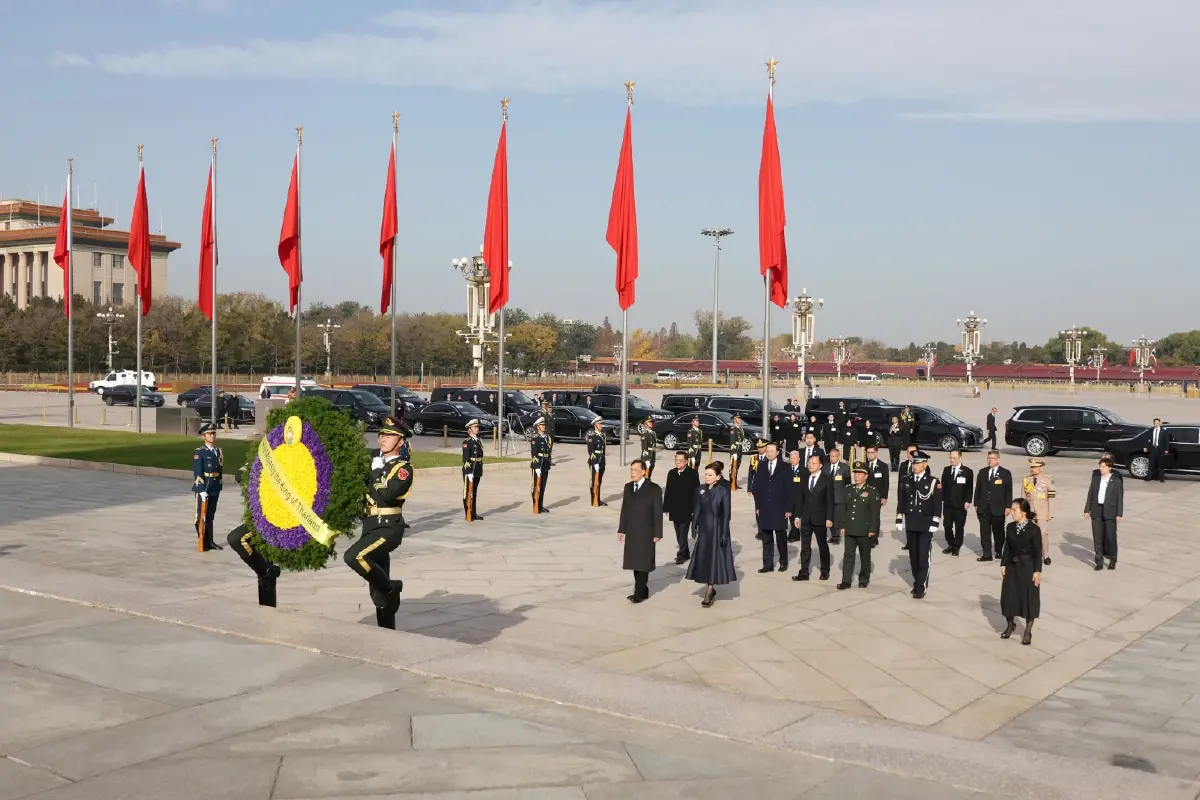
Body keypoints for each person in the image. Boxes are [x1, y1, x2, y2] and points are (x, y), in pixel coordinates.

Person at [344, 418, 412, 628]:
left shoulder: (403, 469)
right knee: (377, 590)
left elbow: (389, 493)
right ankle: (386, 631)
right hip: (370, 527)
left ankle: (392, 587)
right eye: (382, 434)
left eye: (389, 435)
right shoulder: (373, 459)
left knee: (354, 556)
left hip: (388, 527)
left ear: (400, 441)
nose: (383, 438)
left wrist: (375, 472)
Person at [687, 461, 736, 606]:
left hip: (717, 529)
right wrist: (694, 525)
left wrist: (724, 533)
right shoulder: (700, 490)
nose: (707, 477)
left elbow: (727, 514)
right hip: (704, 529)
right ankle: (708, 584)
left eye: (710, 475)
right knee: (704, 558)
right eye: (706, 474)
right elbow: (696, 509)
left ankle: (710, 589)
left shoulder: (723, 491)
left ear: (718, 477)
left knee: (715, 560)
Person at [895, 451, 942, 599]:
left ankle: (921, 586)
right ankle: (917, 580)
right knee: (913, 556)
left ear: (925, 464)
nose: (914, 465)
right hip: (911, 522)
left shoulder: (933, 481)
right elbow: (901, 500)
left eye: (917, 463)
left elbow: (936, 503)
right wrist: (899, 518)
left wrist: (935, 521)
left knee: (923, 556)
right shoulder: (906, 479)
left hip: (926, 524)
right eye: (913, 463)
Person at [617, 460, 663, 604]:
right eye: (631, 469)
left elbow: (657, 512)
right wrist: (622, 529)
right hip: (632, 530)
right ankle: (642, 589)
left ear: (644, 471)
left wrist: (657, 533)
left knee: (643, 563)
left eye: (635, 470)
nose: (632, 472)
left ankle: (638, 592)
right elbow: (625, 509)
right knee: (634, 562)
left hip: (646, 531)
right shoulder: (628, 487)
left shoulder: (654, 488)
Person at [1000, 498, 1042, 646]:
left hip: (1028, 566)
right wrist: (1003, 564)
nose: (1012, 513)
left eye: (1015, 510)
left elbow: (1037, 552)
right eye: (1012, 510)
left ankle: (1028, 631)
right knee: (1009, 597)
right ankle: (1010, 624)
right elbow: (1007, 546)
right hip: (1012, 566)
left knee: (1029, 599)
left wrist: (1037, 571)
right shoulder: (1010, 527)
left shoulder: (1034, 529)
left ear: (1023, 512)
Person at [838, 462, 881, 589]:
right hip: (850, 528)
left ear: (866, 476)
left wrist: (873, 530)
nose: (856, 476)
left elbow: (875, 513)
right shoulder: (849, 489)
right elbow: (844, 510)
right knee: (848, 556)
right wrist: (843, 526)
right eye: (855, 474)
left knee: (864, 556)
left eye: (859, 474)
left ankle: (863, 579)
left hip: (864, 530)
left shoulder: (872, 491)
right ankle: (846, 581)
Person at [792, 452, 834, 581]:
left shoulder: (827, 479)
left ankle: (825, 571)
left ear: (820, 465)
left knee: (822, 545)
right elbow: (800, 499)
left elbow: (829, 501)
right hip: (806, 518)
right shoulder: (805, 478)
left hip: (820, 519)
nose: (810, 465)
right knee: (805, 546)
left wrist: (829, 518)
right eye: (809, 463)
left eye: (813, 463)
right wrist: (797, 516)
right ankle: (804, 572)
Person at [752, 441, 792, 573]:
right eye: (767, 451)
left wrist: (788, 509)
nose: (769, 453)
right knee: (766, 538)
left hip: (780, 507)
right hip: (765, 507)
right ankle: (767, 564)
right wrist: (758, 506)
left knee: (780, 537)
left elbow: (789, 489)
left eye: (772, 451)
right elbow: (758, 487)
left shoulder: (785, 467)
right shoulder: (762, 466)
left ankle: (783, 562)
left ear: (778, 452)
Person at [1084, 456, 1123, 570]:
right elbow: (1090, 494)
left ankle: (1112, 559)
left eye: (1103, 467)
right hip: (1097, 510)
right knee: (1097, 537)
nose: (1101, 469)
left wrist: (1119, 514)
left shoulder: (1116, 481)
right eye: (1100, 466)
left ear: (1109, 468)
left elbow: (1119, 498)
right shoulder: (1096, 478)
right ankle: (1099, 562)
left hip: (1110, 512)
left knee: (1111, 537)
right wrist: (1087, 509)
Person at [974, 450, 1013, 562]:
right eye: (988, 458)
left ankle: (998, 551)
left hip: (998, 508)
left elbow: (1008, 491)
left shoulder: (1005, 473)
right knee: (984, 531)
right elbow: (978, 489)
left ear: (998, 459)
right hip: (983, 507)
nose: (990, 460)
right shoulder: (982, 472)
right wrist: (976, 503)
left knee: (999, 531)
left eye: (992, 458)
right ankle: (986, 554)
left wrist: (1008, 506)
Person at [192, 422, 224, 552]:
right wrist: (201, 489)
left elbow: (220, 469)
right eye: (209, 434)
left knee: (210, 516)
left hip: (215, 487)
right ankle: (202, 540)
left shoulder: (218, 451)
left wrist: (219, 485)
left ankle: (210, 542)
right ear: (203, 437)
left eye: (213, 433)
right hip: (204, 488)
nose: (212, 436)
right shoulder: (200, 452)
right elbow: (198, 472)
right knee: (201, 516)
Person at [663, 451, 699, 565]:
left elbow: (696, 491)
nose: (678, 462)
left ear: (686, 461)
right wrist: (666, 507)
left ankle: (681, 554)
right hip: (674, 508)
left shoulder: (692, 473)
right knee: (678, 532)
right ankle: (686, 552)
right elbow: (668, 490)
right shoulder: (672, 473)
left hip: (686, 508)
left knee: (683, 532)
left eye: (680, 460)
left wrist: (696, 508)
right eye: (676, 460)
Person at [940, 450, 974, 556]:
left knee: (959, 526)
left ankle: (956, 546)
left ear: (960, 458)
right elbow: (943, 485)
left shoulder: (967, 471)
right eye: (951, 458)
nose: (952, 460)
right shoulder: (946, 470)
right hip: (948, 504)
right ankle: (950, 544)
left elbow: (969, 488)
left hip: (960, 504)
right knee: (947, 525)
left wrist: (968, 501)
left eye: (954, 458)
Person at [1022, 459, 1055, 565]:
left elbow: (1051, 497)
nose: (1033, 469)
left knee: (1042, 534)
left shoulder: (1047, 480)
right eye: (1031, 467)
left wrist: (1050, 512)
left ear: (1041, 468)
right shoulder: (1026, 480)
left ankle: (1046, 555)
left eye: (1035, 467)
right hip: (1030, 512)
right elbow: (1023, 498)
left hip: (1042, 511)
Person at [826, 446, 850, 546]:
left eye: (834, 456)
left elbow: (848, 483)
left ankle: (836, 536)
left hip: (839, 497)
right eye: (831, 456)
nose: (832, 458)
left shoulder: (844, 467)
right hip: (828, 497)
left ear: (838, 456)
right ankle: (833, 535)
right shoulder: (825, 467)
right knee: (830, 517)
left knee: (838, 517)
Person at [462, 419, 485, 522]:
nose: (477, 428)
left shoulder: (479, 441)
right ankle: (468, 512)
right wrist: (468, 472)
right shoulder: (467, 442)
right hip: (470, 470)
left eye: (477, 427)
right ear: (470, 429)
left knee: (474, 492)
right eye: (475, 427)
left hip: (477, 469)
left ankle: (473, 512)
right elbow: (465, 458)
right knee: (468, 492)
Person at [896, 444, 918, 549]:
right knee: (907, 522)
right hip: (905, 498)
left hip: (917, 499)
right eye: (908, 452)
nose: (910, 455)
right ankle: (909, 542)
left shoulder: (921, 465)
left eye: (912, 452)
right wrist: (899, 498)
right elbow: (900, 483)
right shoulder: (903, 465)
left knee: (916, 522)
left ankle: (916, 542)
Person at [529, 418, 552, 514]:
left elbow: (548, 452)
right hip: (538, 465)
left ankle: (541, 505)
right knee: (536, 486)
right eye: (542, 425)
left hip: (545, 464)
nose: (544, 427)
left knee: (542, 486)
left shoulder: (547, 438)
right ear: (538, 427)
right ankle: (535, 504)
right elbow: (534, 454)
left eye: (544, 425)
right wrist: (537, 467)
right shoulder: (535, 438)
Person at [587, 417, 608, 507]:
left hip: (602, 460)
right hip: (595, 461)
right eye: (599, 424)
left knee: (599, 480)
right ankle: (594, 499)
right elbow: (591, 451)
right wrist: (595, 463)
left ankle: (598, 499)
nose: (601, 425)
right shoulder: (592, 437)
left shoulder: (602, 435)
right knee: (593, 481)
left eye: (601, 424)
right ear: (595, 425)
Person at [863, 445, 890, 510]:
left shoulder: (883, 466)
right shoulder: (864, 465)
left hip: (877, 496)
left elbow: (886, 482)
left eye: (872, 452)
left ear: (876, 452)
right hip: (865, 495)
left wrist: (884, 497)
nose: (869, 454)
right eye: (868, 453)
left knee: (875, 516)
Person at [728, 414, 746, 490]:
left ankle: (735, 483)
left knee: (737, 467)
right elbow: (732, 442)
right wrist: (734, 452)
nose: (740, 419)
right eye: (738, 418)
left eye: (740, 418)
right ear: (735, 419)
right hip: (735, 450)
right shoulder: (733, 429)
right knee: (733, 467)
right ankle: (731, 482)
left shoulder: (740, 429)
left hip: (739, 449)